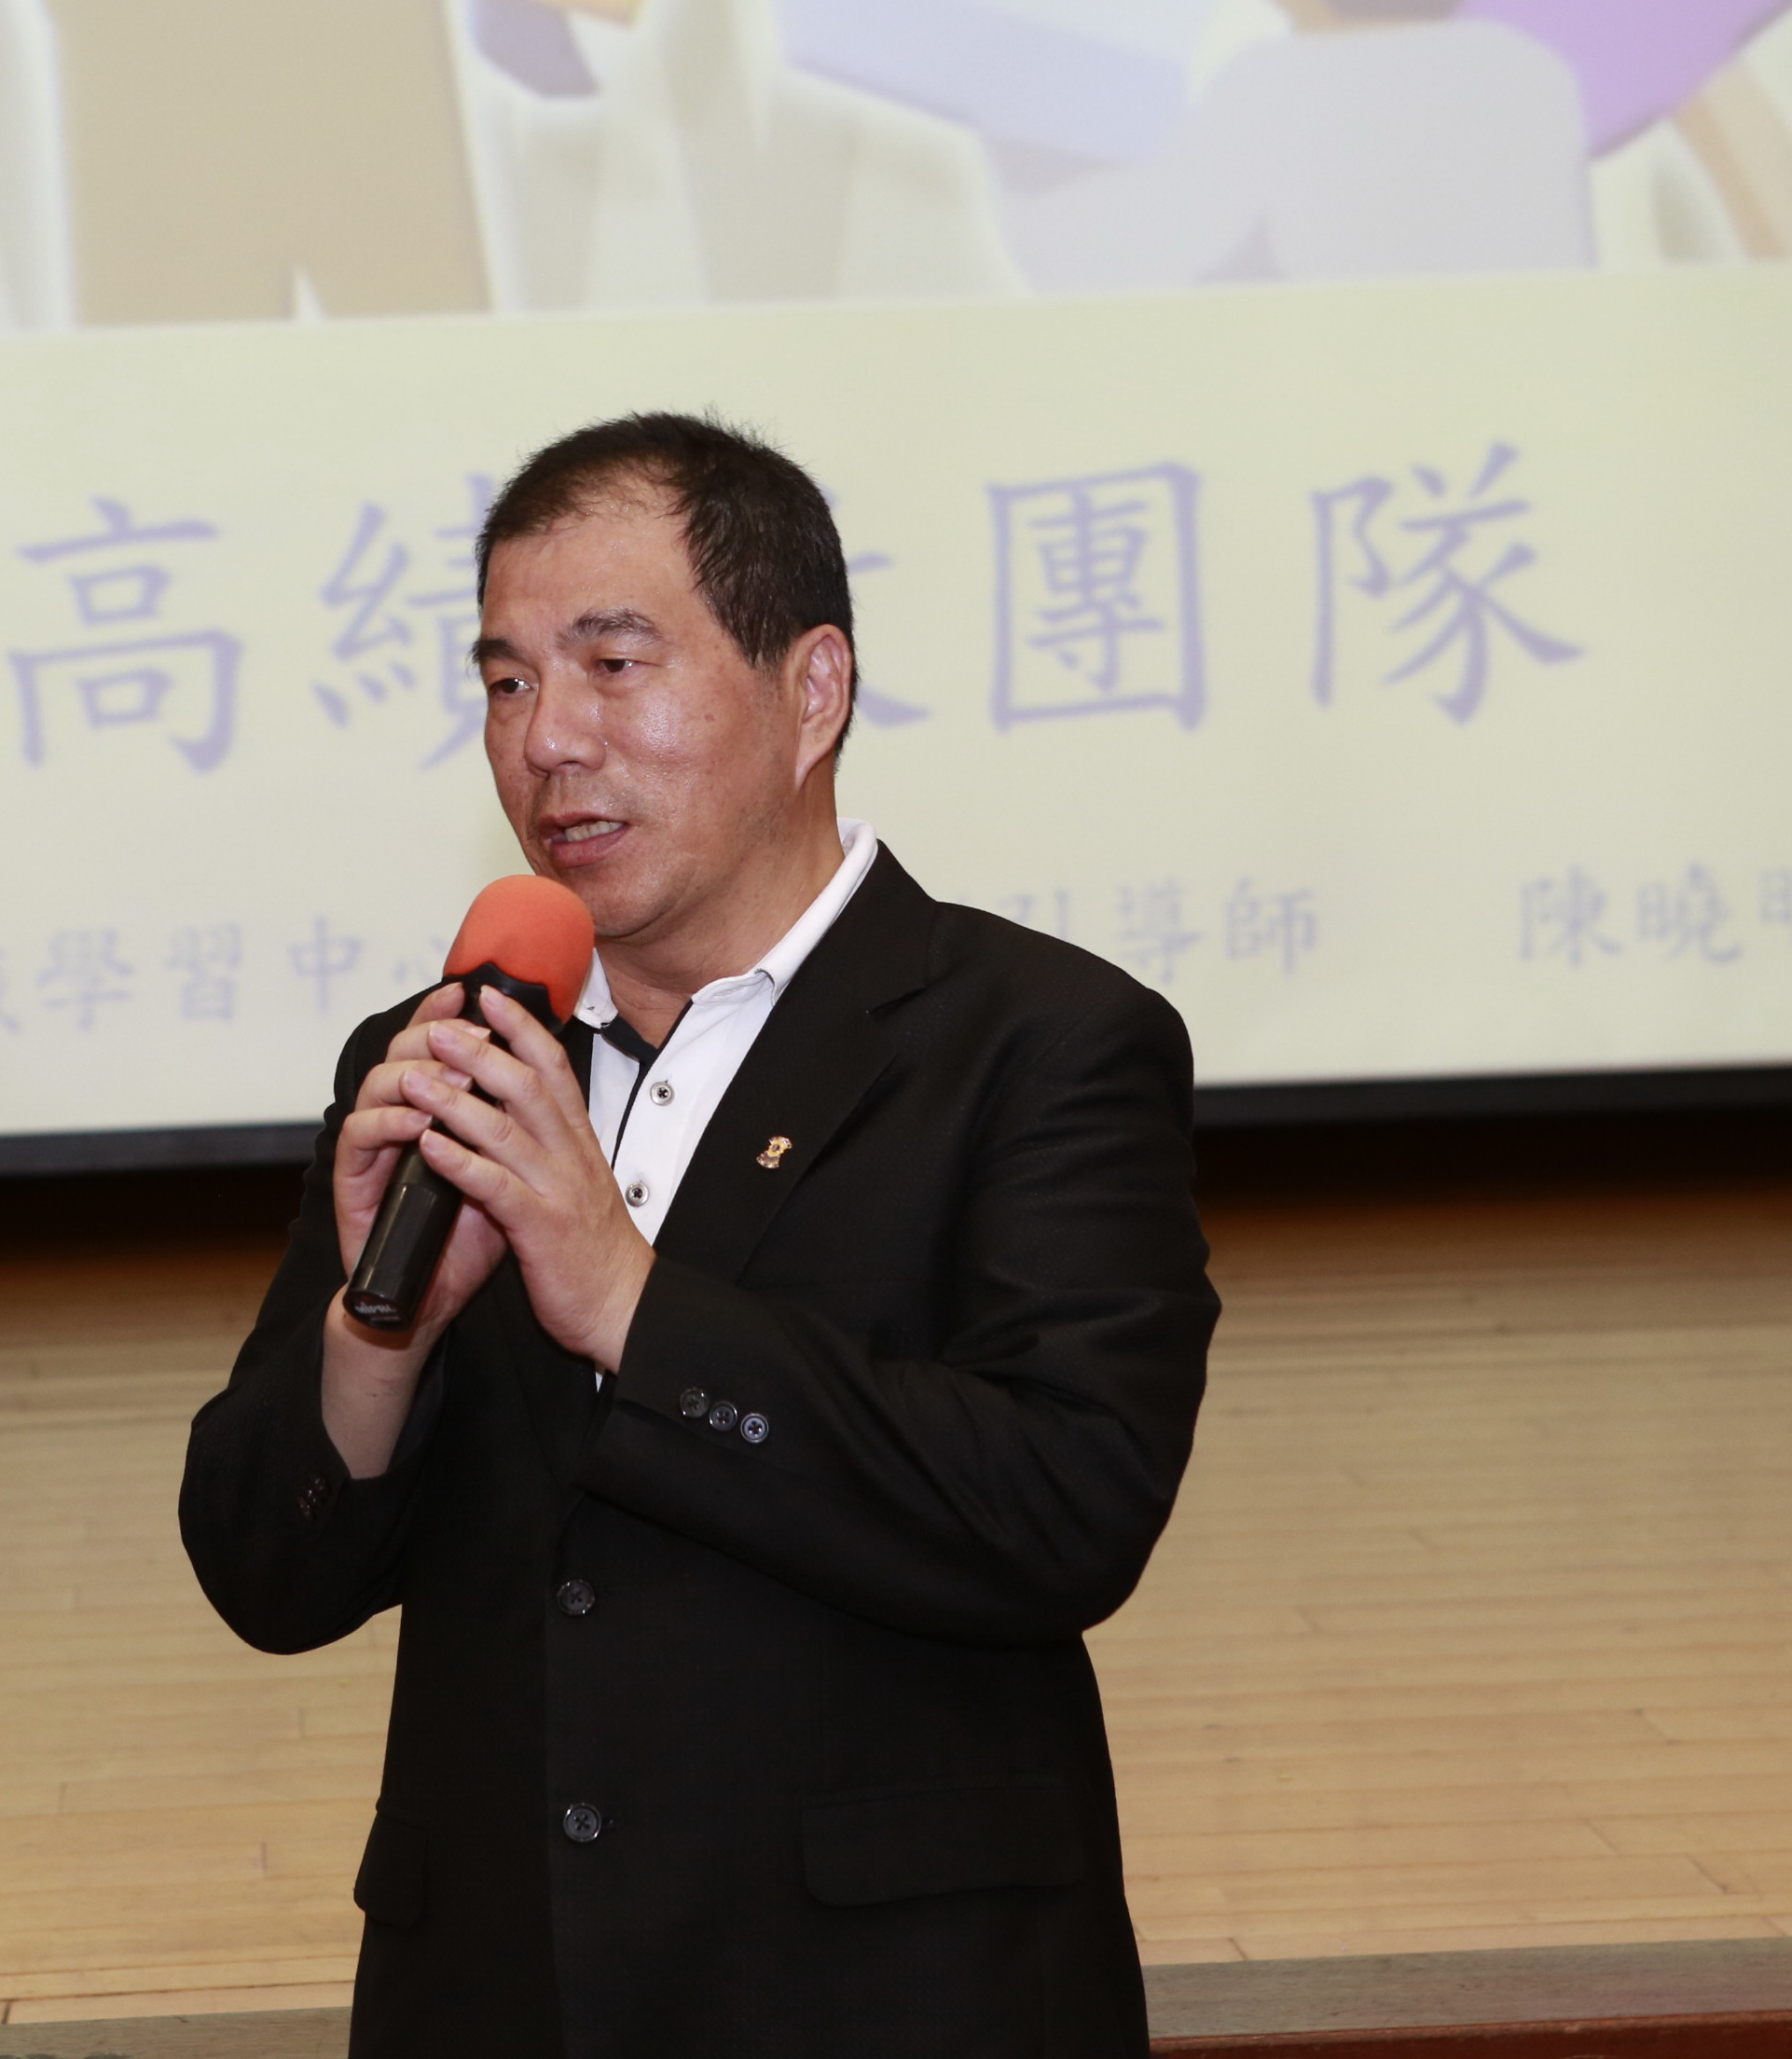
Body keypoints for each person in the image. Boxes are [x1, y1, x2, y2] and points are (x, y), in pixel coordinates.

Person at [179, 413, 1218, 2057]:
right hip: (499, 1995)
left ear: (813, 690)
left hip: (891, 2002)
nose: (547, 741)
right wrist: (380, 1337)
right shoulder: (449, 1057)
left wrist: (625, 1299)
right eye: (506, 681)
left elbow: (1062, 1511)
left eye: (612, 666)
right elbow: (265, 1573)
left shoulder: (1036, 1043)